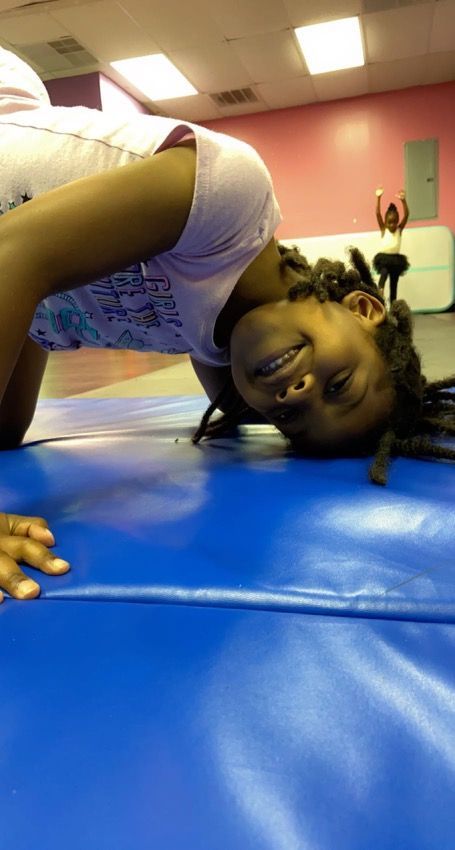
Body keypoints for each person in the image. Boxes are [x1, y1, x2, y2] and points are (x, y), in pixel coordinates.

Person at [0, 47, 453, 603]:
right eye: (339, 384)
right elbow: (11, 258)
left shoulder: (212, 341)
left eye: (290, 417)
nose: (299, 392)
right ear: (363, 309)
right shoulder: (231, 200)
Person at [373, 187, 410, 302]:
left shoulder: (399, 229)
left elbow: (407, 215)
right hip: (384, 259)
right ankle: (380, 294)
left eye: (394, 222)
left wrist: (403, 201)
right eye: (390, 222)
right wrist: (378, 198)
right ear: (385, 222)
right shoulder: (384, 229)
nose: (392, 225)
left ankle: (393, 303)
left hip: (396, 261)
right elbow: (378, 214)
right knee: (383, 273)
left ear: (397, 221)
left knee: (394, 283)